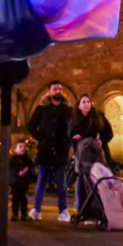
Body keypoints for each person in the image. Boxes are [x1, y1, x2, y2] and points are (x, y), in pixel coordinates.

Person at [28, 82, 74, 222]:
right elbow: (31, 125)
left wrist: (68, 141)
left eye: (59, 89)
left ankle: (63, 211)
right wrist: (41, 139)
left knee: (62, 182)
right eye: (55, 89)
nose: (57, 91)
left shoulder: (67, 110)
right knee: (42, 180)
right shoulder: (42, 109)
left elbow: (73, 126)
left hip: (61, 151)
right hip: (45, 150)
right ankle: (36, 209)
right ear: (49, 92)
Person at [69, 94, 105, 211]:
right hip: (81, 153)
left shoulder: (96, 118)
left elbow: (104, 132)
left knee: (94, 178)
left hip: (94, 153)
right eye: (83, 102)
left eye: (88, 102)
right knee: (82, 177)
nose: (87, 104)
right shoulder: (75, 120)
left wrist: (101, 140)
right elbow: (71, 136)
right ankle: (79, 207)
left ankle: (95, 208)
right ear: (79, 106)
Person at [9, 141, 36, 222]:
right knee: (15, 197)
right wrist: (18, 172)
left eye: (24, 147)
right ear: (14, 149)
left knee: (24, 198)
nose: (23, 149)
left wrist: (27, 170)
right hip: (15, 181)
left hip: (24, 181)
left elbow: (31, 166)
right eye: (20, 147)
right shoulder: (12, 158)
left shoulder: (26, 158)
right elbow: (10, 168)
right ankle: (15, 213)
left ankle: (24, 214)